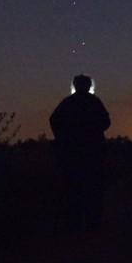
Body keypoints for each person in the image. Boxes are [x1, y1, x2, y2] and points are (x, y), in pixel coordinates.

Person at [49, 74, 111, 231]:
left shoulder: (68, 103)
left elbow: (54, 120)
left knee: (73, 190)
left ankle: (74, 225)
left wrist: (62, 138)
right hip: (92, 154)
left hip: (72, 154)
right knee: (93, 190)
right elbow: (106, 122)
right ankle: (92, 224)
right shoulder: (94, 102)